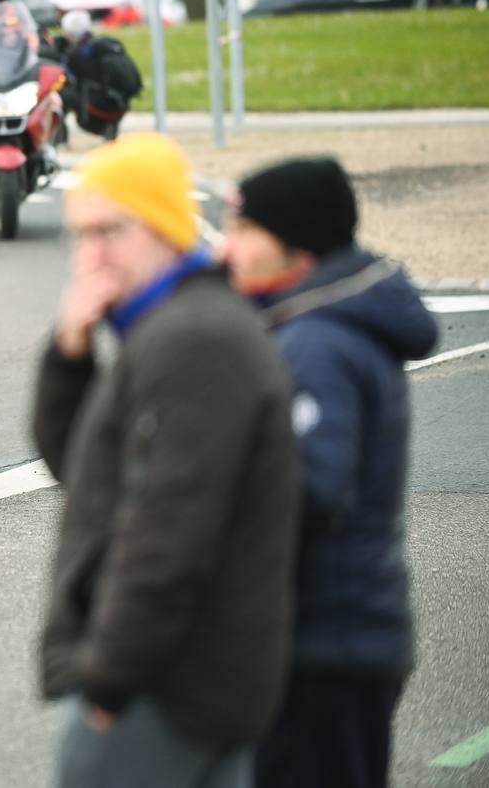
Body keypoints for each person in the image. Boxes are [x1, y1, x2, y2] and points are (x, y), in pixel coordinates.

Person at [34, 132, 301, 788]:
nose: (90, 256)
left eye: (109, 231)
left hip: (169, 686)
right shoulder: (164, 328)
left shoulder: (194, 342)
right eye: (80, 235)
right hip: (188, 679)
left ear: (161, 227)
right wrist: (70, 349)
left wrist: (107, 684)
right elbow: (83, 469)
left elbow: (165, 537)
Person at [221, 159, 439, 788]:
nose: (230, 245)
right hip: (336, 639)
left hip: (325, 644)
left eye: (244, 229)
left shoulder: (317, 344)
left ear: (296, 241)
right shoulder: (318, 323)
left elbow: (311, 491)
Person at [55, 10, 142, 142]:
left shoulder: (77, 53)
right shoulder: (104, 46)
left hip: (95, 110)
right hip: (119, 106)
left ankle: (60, 138)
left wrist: (61, 52)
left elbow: (70, 77)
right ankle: (110, 132)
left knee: (58, 95)